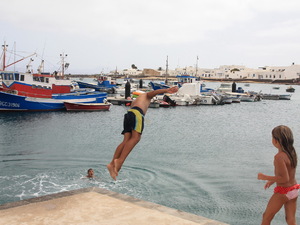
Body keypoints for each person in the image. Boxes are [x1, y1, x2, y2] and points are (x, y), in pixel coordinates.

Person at [107, 86, 179, 180]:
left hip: (129, 114)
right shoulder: (145, 95)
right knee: (136, 138)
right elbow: (153, 93)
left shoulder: (136, 100)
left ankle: (112, 164)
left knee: (126, 141)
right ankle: (119, 161)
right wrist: (166, 90)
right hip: (137, 114)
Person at [257, 125, 300, 225]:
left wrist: (264, 177)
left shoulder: (279, 157)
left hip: (283, 192)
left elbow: (284, 179)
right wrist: (272, 181)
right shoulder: (292, 152)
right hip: (294, 189)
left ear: (276, 141)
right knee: (291, 219)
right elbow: (288, 173)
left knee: (266, 217)